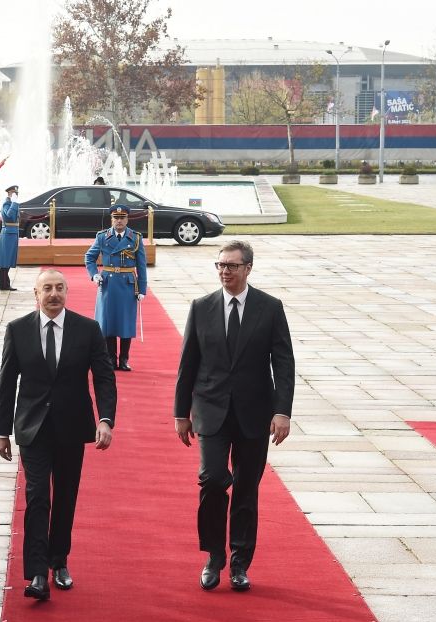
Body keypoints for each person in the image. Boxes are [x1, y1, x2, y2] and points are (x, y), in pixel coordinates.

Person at [173, 240, 295, 592]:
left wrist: (282, 411)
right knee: (212, 479)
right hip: (210, 411)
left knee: (246, 489)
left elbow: (283, 364)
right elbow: (187, 364)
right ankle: (214, 555)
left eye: (232, 266)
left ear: (248, 269)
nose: (225, 271)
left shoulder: (269, 308)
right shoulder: (201, 307)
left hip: (254, 413)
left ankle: (240, 563)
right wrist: (181, 413)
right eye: (220, 265)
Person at [0, 269, 117, 600]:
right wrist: (1, 431)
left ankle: (59, 561)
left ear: (67, 292)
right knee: (37, 496)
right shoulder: (18, 330)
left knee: (65, 495)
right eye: (46, 288)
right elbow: (8, 383)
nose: (53, 294)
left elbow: (104, 378)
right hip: (32, 428)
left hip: (72, 426)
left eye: (59, 288)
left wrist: (105, 419)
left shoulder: (87, 329)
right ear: (36, 294)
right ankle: (36, 573)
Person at [84, 204, 147, 371]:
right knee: (108, 322)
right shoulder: (102, 237)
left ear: (127, 219)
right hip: (108, 284)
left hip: (127, 284)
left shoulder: (136, 238)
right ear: (111, 219)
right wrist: (94, 274)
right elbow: (89, 257)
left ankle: (124, 359)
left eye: (122, 218)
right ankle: (111, 359)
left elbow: (141, 266)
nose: (119, 221)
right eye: (116, 218)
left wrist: (142, 289)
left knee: (126, 322)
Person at [0, 185, 20, 291]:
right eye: (14, 193)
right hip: (8, 233)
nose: (16, 195)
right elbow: (9, 216)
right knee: (5, 261)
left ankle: (5, 283)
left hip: (12, 233)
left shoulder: (12, 203)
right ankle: (4, 284)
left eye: (17, 194)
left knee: (8, 260)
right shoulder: (7, 203)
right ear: (10, 193)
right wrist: (14, 203)